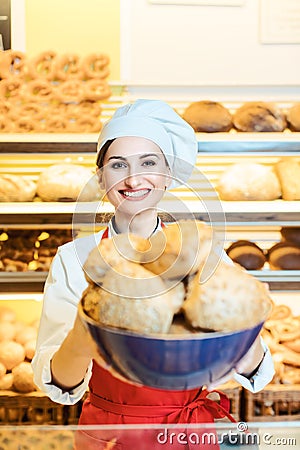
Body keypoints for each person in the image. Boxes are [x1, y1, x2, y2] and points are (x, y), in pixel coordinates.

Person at [32, 99, 274, 449]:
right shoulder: (75, 259)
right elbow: (61, 385)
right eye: (118, 165)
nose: (133, 179)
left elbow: (257, 373)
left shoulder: (203, 252)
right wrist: (89, 328)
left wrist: (236, 333)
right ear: (100, 178)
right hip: (110, 434)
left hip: (190, 430)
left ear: (168, 174)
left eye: (149, 163)